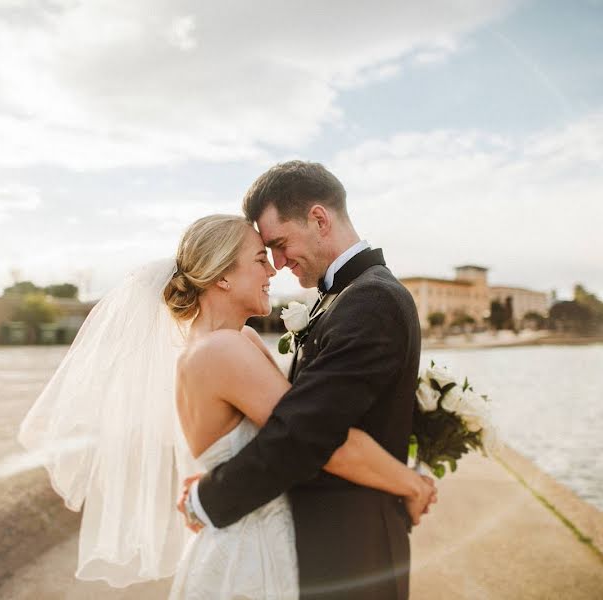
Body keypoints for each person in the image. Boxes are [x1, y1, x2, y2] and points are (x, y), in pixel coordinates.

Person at [181, 161, 430, 599]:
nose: (277, 264)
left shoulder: (370, 299)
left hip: (353, 549)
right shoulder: (339, 299)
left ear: (319, 219)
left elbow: (303, 434)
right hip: (324, 548)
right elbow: (306, 422)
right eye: (264, 255)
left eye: (277, 244)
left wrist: (209, 497)